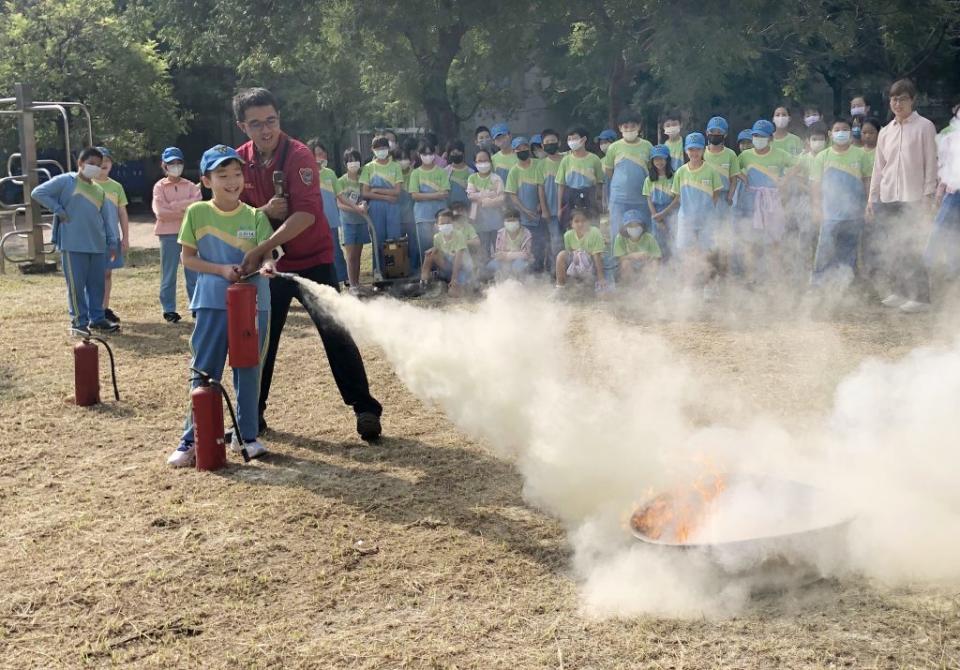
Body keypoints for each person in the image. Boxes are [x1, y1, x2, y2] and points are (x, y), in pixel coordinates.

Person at [232, 87, 382, 440]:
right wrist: (262, 213)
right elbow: (228, 208)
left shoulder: (299, 156)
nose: (266, 130)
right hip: (269, 269)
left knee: (336, 333)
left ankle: (365, 410)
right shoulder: (237, 162)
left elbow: (307, 215)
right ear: (243, 127)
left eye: (271, 120)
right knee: (262, 339)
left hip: (313, 261)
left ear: (279, 118)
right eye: (256, 124)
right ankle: (253, 414)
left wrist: (264, 244)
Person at [166, 145, 274, 467]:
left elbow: (268, 253)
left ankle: (247, 436)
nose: (232, 181)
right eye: (222, 175)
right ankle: (192, 440)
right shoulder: (197, 213)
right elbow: (188, 257)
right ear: (206, 180)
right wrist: (222, 270)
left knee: (249, 368)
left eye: (237, 174)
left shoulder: (255, 215)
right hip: (212, 301)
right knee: (204, 370)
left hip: (254, 305)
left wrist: (268, 266)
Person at [866, 79, 939, 313]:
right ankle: (900, 291)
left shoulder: (925, 126)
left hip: (914, 196)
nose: (897, 103)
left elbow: (931, 164)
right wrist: (871, 198)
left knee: (912, 245)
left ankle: (920, 298)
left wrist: (928, 196)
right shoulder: (886, 132)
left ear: (912, 100)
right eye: (894, 99)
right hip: (888, 196)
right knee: (893, 247)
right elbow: (879, 168)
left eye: (902, 98)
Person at [31, 147, 119, 335]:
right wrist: (58, 209)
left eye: (99, 165)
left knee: (97, 285)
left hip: (97, 245)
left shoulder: (98, 190)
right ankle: (78, 323)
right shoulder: (67, 181)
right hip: (73, 244)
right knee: (76, 286)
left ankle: (97, 319)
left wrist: (112, 243)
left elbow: (106, 219)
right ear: (80, 163)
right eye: (91, 164)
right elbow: (38, 192)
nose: (95, 168)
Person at [809, 118, 871, 287]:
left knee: (849, 248)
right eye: (837, 130)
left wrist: (868, 205)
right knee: (825, 249)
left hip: (854, 213)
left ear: (851, 133)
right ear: (830, 134)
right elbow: (815, 185)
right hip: (829, 213)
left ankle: (842, 283)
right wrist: (816, 208)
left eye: (845, 129)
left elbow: (867, 181)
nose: (841, 133)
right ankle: (819, 283)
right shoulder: (823, 156)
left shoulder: (860, 155)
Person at [659, 133, 723, 293]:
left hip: (706, 220)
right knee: (687, 255)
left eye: (698, 149)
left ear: (704, 150)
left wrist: (706, 211)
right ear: (686, 151)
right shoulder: (680, 172)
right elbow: (678, 196)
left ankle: (709, 286)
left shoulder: (711, 171)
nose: (694, 153)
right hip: (686, 220)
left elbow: (716, 195)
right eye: (691, 149)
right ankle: (689, 286)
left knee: (707, 253)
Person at [736, 119, 797, 278]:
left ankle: (774, 276)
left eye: (762, 136)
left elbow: (799, 164)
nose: (758, 139)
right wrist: (745, 179)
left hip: (772, 204)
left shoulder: (780, 155)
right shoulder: (745, 155)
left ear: (771, 138)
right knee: (750, 241)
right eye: (755, 136)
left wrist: (785, 180)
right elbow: (733, 169)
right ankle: (751, 277)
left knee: (774, 241)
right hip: (750, 203)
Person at [152, 146, 201, 322]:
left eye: (178, 162)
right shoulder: (159, 186)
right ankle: (169, 309)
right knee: (169, 273)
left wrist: (172, 205)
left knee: (193, 272)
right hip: (168, 235)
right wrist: (184, 207)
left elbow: (196, 207)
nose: (175, 166)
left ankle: (197, 305)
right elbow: (160, 212)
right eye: (171, 163)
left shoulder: (190, 185)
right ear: (164, 165)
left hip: (190, 233)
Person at [604, 108, 654, 278]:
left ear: (639, 127)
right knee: (617, 236)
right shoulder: (614, 148)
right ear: (619, 128)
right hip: (619, 200)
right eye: (625, 126)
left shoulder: (648, 146)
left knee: (644, 235)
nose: (629, 129)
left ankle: (645, 277)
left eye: (632, 126)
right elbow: (609, 172)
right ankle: (614, 278)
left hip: (642, 200)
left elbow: (652, 171)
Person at [93, 147, 128, 325]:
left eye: (107, 160)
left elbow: (122, 213)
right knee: (93, 276)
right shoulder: (88, 185)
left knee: (107, 274)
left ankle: (104, 308)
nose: (104, 164)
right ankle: (94, 310)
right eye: (99, 161)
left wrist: (125, 237)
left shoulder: (116, 187)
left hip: (111, 241)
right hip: (92, 240)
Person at [504, 136, 548, 271]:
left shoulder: (538, 164)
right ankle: (529, 273)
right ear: (514, 151)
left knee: (541, 244)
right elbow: (512, 194)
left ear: (529, 148)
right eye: (518, 148)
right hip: (523, 217)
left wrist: (542, 205)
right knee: (526, 245)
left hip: (539, 214)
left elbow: (541, 186)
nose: (522, 150)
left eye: (524, 147)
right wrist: (524, 210)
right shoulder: (514, 171)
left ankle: (541, 271)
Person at [361, 136, 404, 275]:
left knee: (393, 240)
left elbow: (397, 191)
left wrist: (377, 189)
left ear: (388, 148)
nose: (381, 151)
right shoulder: (368, 168)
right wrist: (385, 196)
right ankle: (379, 272)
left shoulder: (395, 166)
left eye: (384, 148)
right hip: (376, 207)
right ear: (372, 150)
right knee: (378, 239)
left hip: (393, 207)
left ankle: (395, 272)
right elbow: (365, 193)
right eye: (378, 149)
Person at [309, 139, 348, 286]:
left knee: (335, 251)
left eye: (322, 153)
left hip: (331, 221)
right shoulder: (306, 174)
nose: (320, 157)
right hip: (313, 222)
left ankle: (343, 280)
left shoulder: (330, 173)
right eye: (317, 154)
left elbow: (341, 196)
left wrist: (357, 208)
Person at [409, 139, 451, 269]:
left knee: (441, 246)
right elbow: (415, 195)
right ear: (419, 154)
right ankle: (427, 275)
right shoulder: (415, 173)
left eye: (430, 153)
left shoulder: (441, 172)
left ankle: (441, 273)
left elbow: (445, 193)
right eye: (424, 153)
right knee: (425, 248)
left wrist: (425, 195)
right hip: (422, 216)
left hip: (440, 218)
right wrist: (436, 195)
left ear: (435, 154)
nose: (427, 156)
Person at [555, 126, 604, 231]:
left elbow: (599, 183)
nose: (572, 141)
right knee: (571, 228)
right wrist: (559, 208)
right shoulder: (566, 160)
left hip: (589, 196)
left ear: (583, 139)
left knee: (591, 227)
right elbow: (560, 185)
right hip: (571, 196)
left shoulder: (594, 159)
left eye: (575, 138)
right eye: (569, 139)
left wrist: (599, 202)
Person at [336, 148, 370, 293]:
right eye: (350, 160)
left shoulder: (363, 179)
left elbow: (365, 197)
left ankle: (357, 283)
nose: (353, 163)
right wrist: (356, 209)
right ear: (345, 163)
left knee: (358, 254)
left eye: (356, 160)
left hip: (361, 221)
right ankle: (352, 285)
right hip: (348, 222)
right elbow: (340, 204)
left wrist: (364, 204)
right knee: (350, 255)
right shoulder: (341, 181)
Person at [420, 209, 472, 296]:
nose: (446, 225)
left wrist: (454, 279)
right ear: (436, 225)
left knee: (453, 294)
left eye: (448, 223)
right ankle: (423, 285)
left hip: (462, 269)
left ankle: (459, 284)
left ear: (453, 223)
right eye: (442, 224)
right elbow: (439, 253)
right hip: (448, 268)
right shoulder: (437, 237)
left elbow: (458, 260)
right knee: (429, 254)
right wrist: (434, 248)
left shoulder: (459, 235)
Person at [555, 208, 606, 292]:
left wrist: (601, 278)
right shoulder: (568, 235)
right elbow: (569, 254)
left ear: (588, 222)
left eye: (583, 221)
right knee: (561, 255)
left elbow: (597, 257)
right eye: (577, 221)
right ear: (571, 224)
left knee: (584, 256)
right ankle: (560, 288)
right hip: (576, 265)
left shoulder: (595, 232)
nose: (580, 224)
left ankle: (590, 285)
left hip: (592, 265)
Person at [466, 149, 505, 259]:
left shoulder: (496, 178)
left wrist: (481, 196)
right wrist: (491, 194)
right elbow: (471, 196)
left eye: (485, 160)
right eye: (479, 161)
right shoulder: (472, 178)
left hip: (496, 220)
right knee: (483, 249)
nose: (483, 163)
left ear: (490, 162)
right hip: (479, 219)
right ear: (475, 163)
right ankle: (485, 273)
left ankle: (499, 273)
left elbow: (501, 197)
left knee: (498, 248)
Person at [643, 144, 676, 261]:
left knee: (672, 240)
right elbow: (649, 199)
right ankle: (659, 269)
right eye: (656, 159)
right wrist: (656, 216)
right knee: (657, 242)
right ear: (652, 161)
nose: (659, 162)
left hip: (671, 212)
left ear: (667, 159)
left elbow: (677, 198)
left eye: (662, 158)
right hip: (655, 213)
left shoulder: (674, 177)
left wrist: (664, 214)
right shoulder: (649, 180)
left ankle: (673, 267)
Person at [538, 129, 565, 267]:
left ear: (559, 142)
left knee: (568, 240)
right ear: (542, 146)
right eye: (547, 142)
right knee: (555, 242)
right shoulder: (541, 164)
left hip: (567, 209)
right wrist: (544, 210)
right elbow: (541, 189)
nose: (550, 144)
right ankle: (555, 271)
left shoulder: (566, 160)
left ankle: (571, 270)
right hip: (551, 210)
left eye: (553, 141)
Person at [614, 209, 662, 286]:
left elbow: (656, 258)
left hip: (645, 266)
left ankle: (650, 285)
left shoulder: (649, 238)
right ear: (625, 227)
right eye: (630, 226)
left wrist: (653, 274)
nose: (634, 228)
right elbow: (619, 258)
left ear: (642, 226)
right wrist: (633, 255)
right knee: (625, 263)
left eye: (637, 225)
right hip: (630, 267)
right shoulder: (620, 238)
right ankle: (631, 286)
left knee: (653, 264)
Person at [488, 210, 533, 279]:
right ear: (504, 222)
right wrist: (503, 257)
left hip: (520, 260)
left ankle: (520, 284)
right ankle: (498, 284)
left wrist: (507, 255)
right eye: (508, 221)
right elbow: (498, 252)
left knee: (518, 266)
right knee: (492, 265)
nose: (511, 223)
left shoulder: (526, 233)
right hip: (504, 260)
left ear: (519, 221)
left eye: (513, 220)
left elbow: (526, 254)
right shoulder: (500, 233)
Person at [445, 140, 473, 207]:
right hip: (449, 210)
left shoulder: (471, 172)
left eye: (458, 152)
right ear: (449, 154)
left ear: (463, 153)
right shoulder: (445, 172)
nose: (456, 155)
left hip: (466, 210)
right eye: (453, 153)